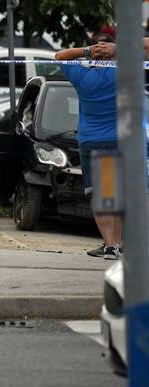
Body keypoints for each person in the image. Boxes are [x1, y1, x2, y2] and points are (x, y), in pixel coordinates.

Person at [55, 36, 122, 259]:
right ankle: (117, 244)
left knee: (101, 195)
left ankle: (110, 245)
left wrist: (86, 51)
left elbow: (60, 56)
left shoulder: (81, 75)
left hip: (91, 142)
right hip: (119, 140)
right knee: (115, 193)